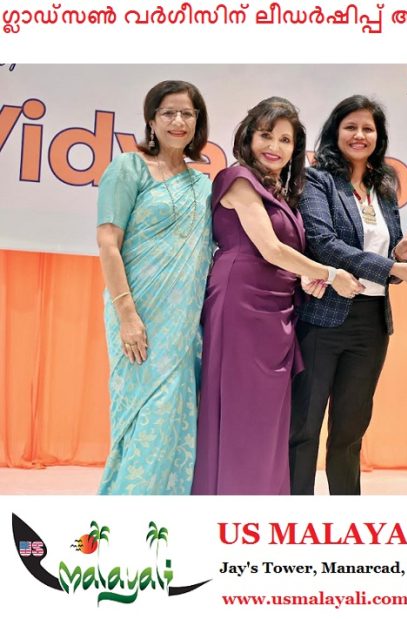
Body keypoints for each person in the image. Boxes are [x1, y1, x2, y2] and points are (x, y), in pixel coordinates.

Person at [192, 97, 362, 495]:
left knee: (268, 416)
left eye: (286, 140)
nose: (275, 147)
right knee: (240, 408)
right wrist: (329, 274)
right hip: (240, 303)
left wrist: (305, 279)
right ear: (249, 137)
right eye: (266, 135)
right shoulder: (237, 178)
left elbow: (285, 257)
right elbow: (269, 249)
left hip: (278, 309)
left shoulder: (284, 193)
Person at [289, 95, 407, 495]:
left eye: (368, 128)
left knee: (350, 432)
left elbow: (384, 260)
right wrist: (389, 267)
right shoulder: (317, 180)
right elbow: (323, 243)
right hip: (322, 319)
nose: (359, 135)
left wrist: (400, 254)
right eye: (351, 126)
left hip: (371, 324)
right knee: (304, 428)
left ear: (379, 137)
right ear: (335, 131)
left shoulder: (383, 187)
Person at [96, 80, 213, 494]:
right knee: (141, 418)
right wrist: (127, 315)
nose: (178, 121)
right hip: (137, 316)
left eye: (187, 113)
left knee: (175, 418)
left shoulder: (204, 186)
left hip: (183, 327)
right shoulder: (128, 168)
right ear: (151, 119)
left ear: (197, 121)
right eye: (168, 112)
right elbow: (108, 243)